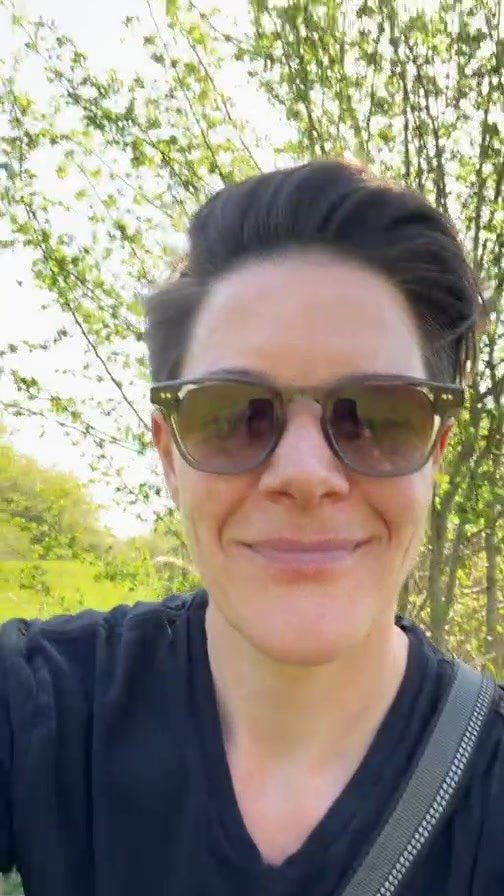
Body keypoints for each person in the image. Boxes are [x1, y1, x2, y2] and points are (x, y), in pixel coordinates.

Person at [0, 160, 502, 895]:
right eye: (234, 414)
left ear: (435, 453)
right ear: (170, 457)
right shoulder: (41, 707)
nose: (305, 473)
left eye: (378, 416)